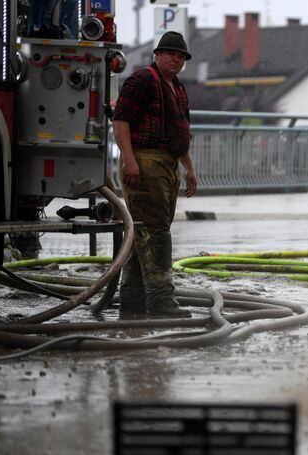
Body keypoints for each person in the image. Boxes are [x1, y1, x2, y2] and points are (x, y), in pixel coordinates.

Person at [112, 31, 198, 318]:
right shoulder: (142, 81)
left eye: (181, 56)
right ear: (157, 55)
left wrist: (189, 168)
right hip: (145, 161)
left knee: (142, 231)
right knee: (155, 232)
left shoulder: (177, 88)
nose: (176, 59)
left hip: (167, 164)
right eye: (171, 54)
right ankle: (161, 299)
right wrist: (130, 160)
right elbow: (121, 121)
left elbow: (180, 132)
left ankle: (132, 298)